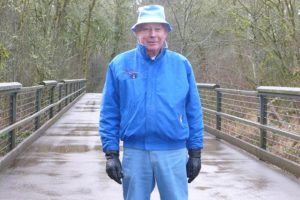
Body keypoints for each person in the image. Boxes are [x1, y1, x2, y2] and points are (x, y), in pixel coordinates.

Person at [99, 4, 204, 200]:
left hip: (173, 151)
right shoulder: (119, 65)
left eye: (157, 29)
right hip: (135, 152)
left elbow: (193, 110)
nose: (152, 34)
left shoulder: (181, 65)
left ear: (166, 32)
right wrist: (111, 153)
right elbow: (109, 111)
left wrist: (195, 152)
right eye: (146, 29)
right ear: (137, 33)